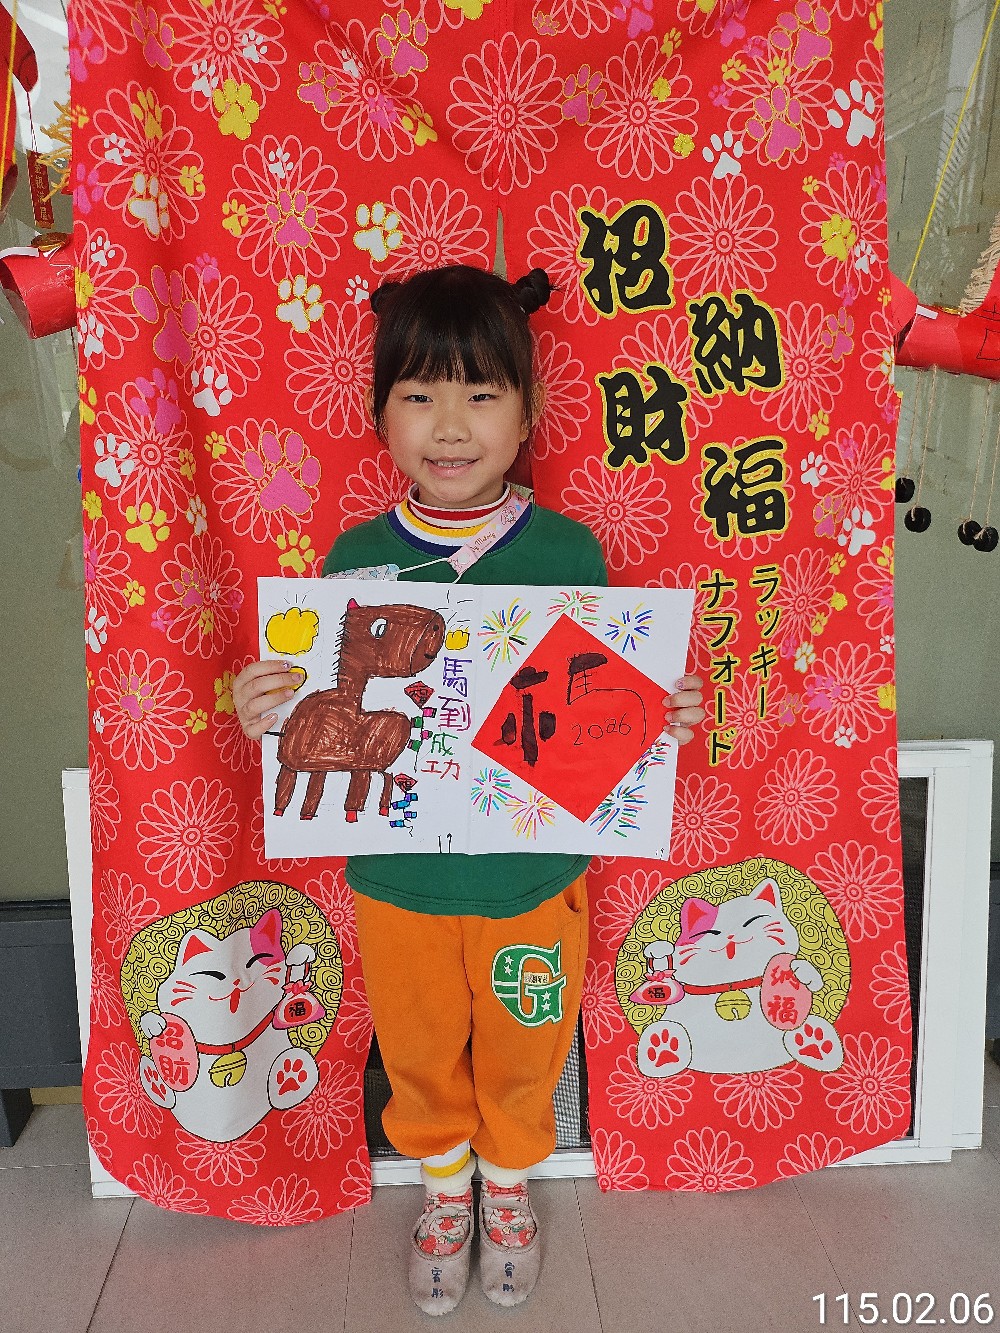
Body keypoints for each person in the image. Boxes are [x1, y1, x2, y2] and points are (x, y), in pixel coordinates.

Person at [234, 265, 704, 1316]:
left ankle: (509, 1187)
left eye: (482, 394)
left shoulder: (567, 550)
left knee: (527, 1044)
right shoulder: (352, 562)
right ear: (379, 415)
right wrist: (269, 703)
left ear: (527, 415)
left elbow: (597, 717)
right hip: (397, 882)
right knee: (416, 1047)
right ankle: (446, 1191)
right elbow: (328, 710)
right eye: (419, 395)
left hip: (530, 880)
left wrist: (656, 714)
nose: (450, 426)